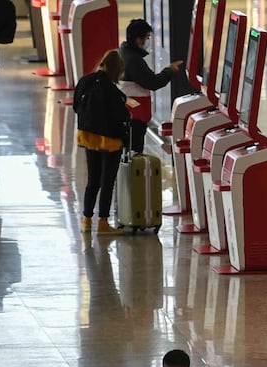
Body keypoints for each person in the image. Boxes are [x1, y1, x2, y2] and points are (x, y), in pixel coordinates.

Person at [74, 50, 132, 235]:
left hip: (89, 137)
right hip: (110, 141)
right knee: (107, 182)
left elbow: (76, 106)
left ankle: (86, 221)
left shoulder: (85, 81)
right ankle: (103, 223)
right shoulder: (111, 90)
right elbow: (119, 116)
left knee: (93, 181)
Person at [119, 19, 184, 154]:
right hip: (133, 117)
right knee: (134, 153)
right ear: (138, 39)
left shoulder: (124, 53)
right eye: (147, 37)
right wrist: (170, 70)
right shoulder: (133, 60)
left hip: (129, 114)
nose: (148, 41)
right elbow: (152, 82)